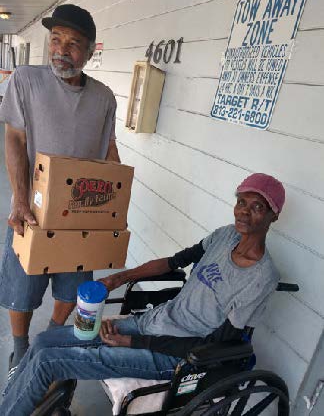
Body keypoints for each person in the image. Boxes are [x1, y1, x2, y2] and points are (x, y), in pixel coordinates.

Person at [0, 173, 286, 416]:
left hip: (176, 358)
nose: (244, 211)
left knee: (47, 361)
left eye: (257, 206)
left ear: (274, 215)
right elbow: (174, 261)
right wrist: (118, 278)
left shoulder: (261, 278)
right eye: (241, 202)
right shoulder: (226, 236)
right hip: (151, 321)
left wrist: (132, 341)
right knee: (42, 341)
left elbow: (212, 344)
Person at [0, 4, 120, 377]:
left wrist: (116, 206)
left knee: (72, 288)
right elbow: (15, 140)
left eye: (73, 44)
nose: (61, 51)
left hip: (82, 211)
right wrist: (20, 200)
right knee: (22, 287)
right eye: (55, 40)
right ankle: (19, 351)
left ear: (90, 50)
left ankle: (49, 339)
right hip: (32, 210)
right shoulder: (25, 79)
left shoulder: (104, 97)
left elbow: (110, 152)